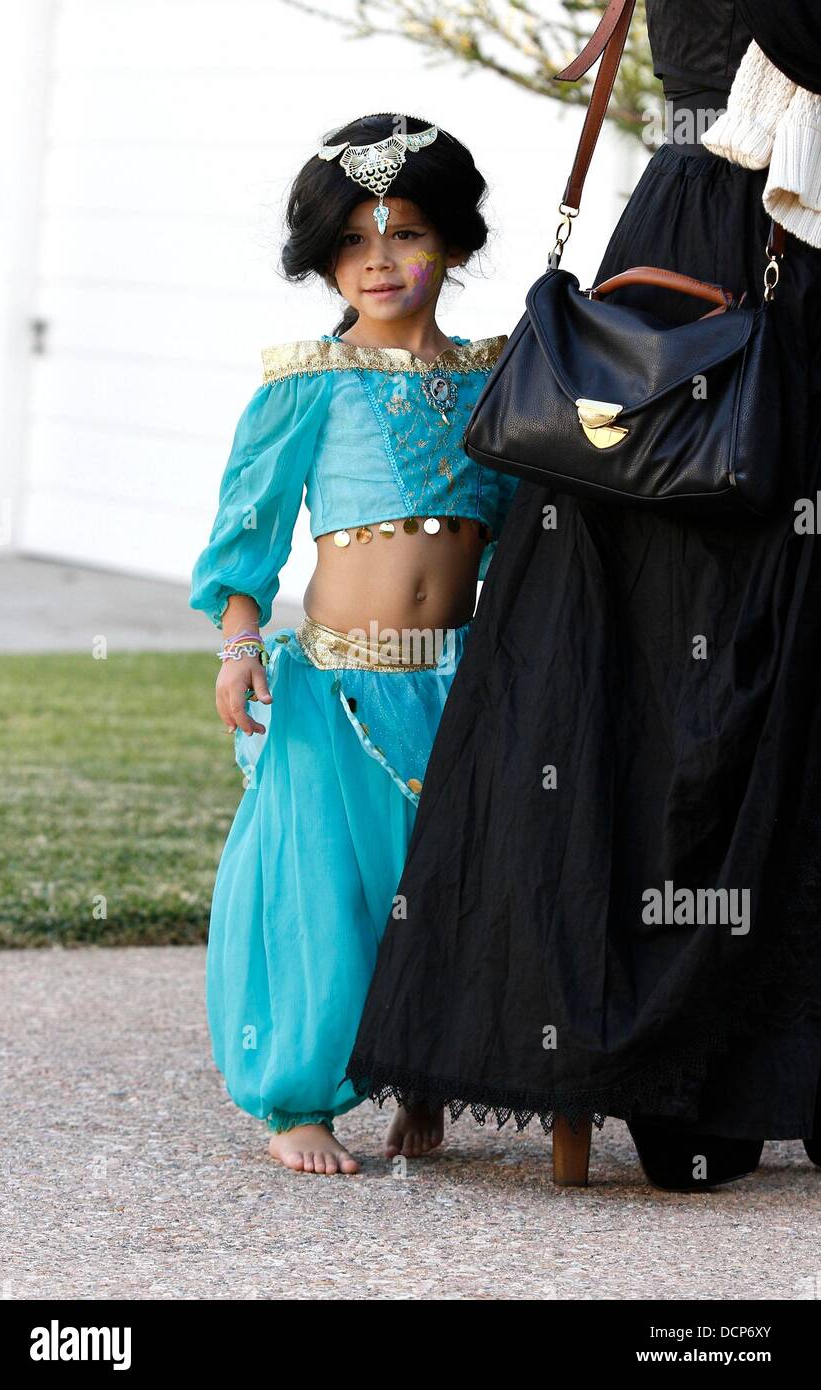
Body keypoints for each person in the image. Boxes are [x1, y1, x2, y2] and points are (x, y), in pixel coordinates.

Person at [343, 3, 821, 1189]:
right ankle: (692, 1078)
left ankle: (734, 1077)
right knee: (696, 671)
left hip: (726, 242)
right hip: (737, 254)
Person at [188, 112, 518, 1176]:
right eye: (353, 242)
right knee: (327, 894)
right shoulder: (305, 383)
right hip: (338, 689)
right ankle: (299, 1098)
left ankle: (422, 1071)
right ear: (324, 257)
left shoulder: (493, 378)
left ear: (456, 245)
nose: (380, 262)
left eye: (408, 234)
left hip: (457, 681)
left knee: (438, 887)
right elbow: (243, 543)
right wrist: (240, 647)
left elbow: (526, 524)